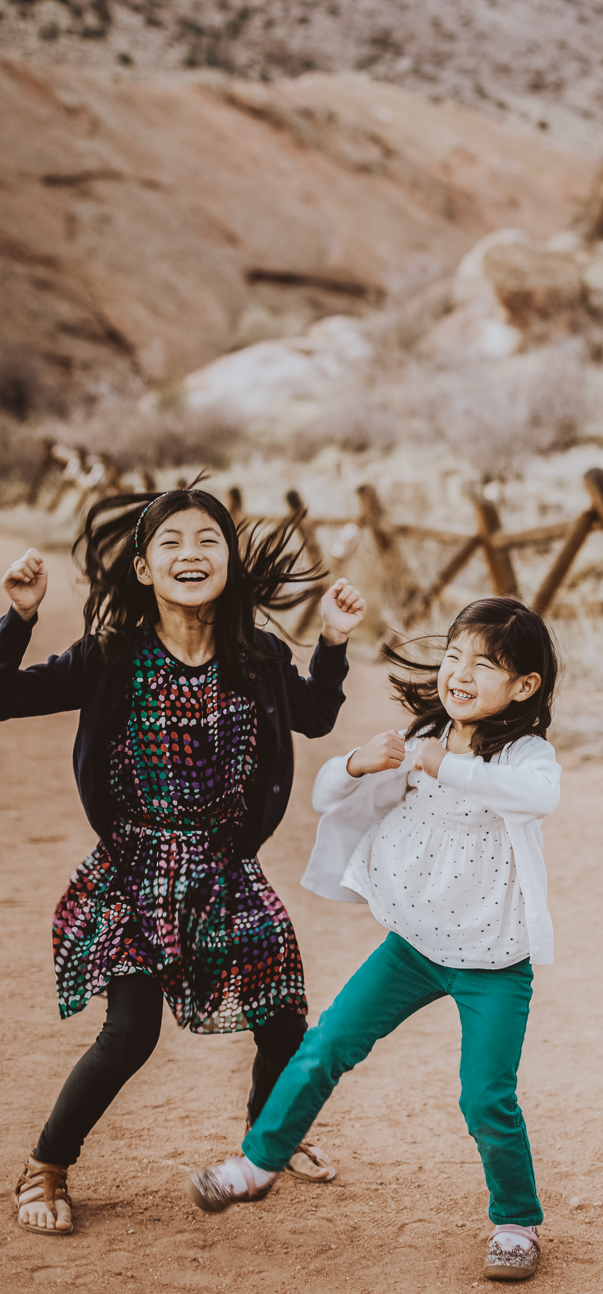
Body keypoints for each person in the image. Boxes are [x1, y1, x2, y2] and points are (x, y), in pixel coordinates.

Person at [3, 485, 366, 1236]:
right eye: (169, 543)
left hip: (225, 871)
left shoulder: (257, 653)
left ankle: (267, 1140)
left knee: (283, 1015)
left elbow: (316, 715)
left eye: (208, 540)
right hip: (135, 872)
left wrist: (331, 642)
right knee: (131, 1033)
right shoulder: (112, 655)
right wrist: (20, 617)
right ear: (142, 568)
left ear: (230, 561)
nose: (190, 554)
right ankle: (44, 1163)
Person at [186, 597, 560, 1283]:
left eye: (484, 664)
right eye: (453, 656)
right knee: (326, 1044)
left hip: (492, 963)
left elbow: (539, 798)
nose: (460, 673)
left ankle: (515, 1220)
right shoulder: (419, 735)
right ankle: (258, 1163)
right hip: (414, 948)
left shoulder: (523, 756)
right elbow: (328, 793)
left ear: (524, 686)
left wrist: (441, 763)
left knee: (485, 1096)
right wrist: (358, 762)